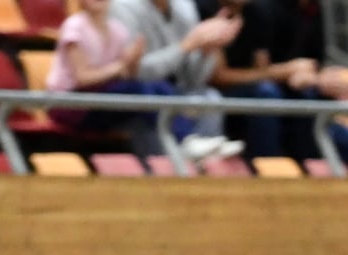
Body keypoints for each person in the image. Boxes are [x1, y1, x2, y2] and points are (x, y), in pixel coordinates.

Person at [48, 0, 235, 161]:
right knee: (141, 90)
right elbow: (82, 78)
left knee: (156, 86)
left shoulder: (117, 30)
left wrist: (131, 64)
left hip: (102, 97)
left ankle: (195, 144)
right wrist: (122, 68)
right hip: (72, 104)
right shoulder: (75, 26)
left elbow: (127, 72)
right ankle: (187, 140)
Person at [211, 0, 348, 164]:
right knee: (268, 94)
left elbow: (312, 65)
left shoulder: (312, 10)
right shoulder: (264, 9)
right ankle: (273, 169)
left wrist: (336, 81)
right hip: (262, 95)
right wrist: (288, 73)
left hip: (291, 91)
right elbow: (225, 77)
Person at [112, 0, 243, 153]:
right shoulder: (122, 7)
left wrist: (206, 50)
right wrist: (186, 45)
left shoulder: (185, 7)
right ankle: (179, 159)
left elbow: (193, 80)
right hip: (139, 96)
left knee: (210, 97)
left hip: (177, 92)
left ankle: (209, 161)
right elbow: (136, 74)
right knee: (153, 101)